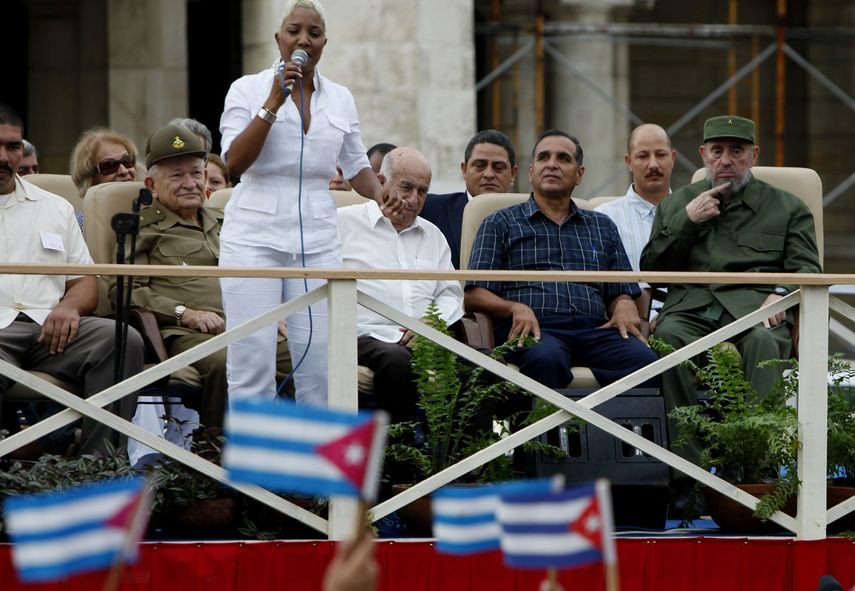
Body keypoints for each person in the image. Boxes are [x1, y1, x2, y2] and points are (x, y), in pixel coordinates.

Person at [218, 0, 392, 407]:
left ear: (324, 43)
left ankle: (317, 469)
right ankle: (251, 471)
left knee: (322, 364)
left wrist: (382, 195)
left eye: (313, 33)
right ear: (279, 38)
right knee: (252, 361)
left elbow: (355, 165)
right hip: (252, 238)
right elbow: (235, 162)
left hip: (317, 238)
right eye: (295, 31)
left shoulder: (342, 98)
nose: (303, 40)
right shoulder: (246, 89)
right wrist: (272, 103)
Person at [640, 115, 821, 458]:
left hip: (755, 308)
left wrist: (781, 293)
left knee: (765, 341)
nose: (726, 160)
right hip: (690, 310)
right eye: (717, 150)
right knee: (667, 342)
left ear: (753, 155)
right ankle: (687, 474)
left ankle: (754, 465)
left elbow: (807, 267)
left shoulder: (787, 207)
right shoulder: (677, 204)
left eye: (736, 151)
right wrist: (687, 223)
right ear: (703, 154)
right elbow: (653, 271)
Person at [114, 123, 293, 429]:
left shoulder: (229, 221)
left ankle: (306, 458)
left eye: (196, 173)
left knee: (311, 358)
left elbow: (260, 273)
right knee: (232, 363)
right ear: (151, 184)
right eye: (177, 175)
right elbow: (126, 291)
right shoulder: (141, 227)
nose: (190, 183)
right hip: (190, 334)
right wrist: (185, 313)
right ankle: (217, 457)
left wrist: (273, 308)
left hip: (249, 325)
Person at [465, 129, 658, 390]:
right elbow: (475, 294)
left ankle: (614, 432)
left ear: (579, 174)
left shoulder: (602, 226)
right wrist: (514, 308)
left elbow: (620, 291)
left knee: (646, 363)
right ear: (531, 171)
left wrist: (624, 303)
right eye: (544, 158)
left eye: (563, 158)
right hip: (535, 330)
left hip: (594, 330)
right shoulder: (500, 222)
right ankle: (551, 432)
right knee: (547, 359)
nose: (552, 164)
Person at [0, 103, 143, 455]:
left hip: (50, 331)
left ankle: (98, 470)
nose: (5, 157)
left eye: (13, 146)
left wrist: (68, 307)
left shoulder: (55, 207)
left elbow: (85, 283)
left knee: (121, 340)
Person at [338, 147, 463, 423]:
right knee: (398, 362)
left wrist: (432, 323)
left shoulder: (433, 235)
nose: (413, 199)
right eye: (406, 187)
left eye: (422, 191)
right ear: (381, 182)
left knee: (488, 364)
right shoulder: (343, 224)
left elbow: (450, 294)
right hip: (364, 336)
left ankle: (465, 463)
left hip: (427, 338)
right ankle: (401, 461)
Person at [420, 129, 518, 269]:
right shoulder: (429, 208)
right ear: (464, 169)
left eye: (498, 167)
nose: (489, 174)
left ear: (513, 174)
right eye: (480, 166)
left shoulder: (529, 217)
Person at [596, 123, 675, 272]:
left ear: (673, 158)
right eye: (643, 156)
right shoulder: (602, 218)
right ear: (629, 162)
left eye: (660, 154)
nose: (653, 164)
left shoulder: (693, 214)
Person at [69, 127, 140, 230]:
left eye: (127, 161)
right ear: (91, 177)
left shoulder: (150, 212)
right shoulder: (80, 225)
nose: (124, 171)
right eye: (109, 165)